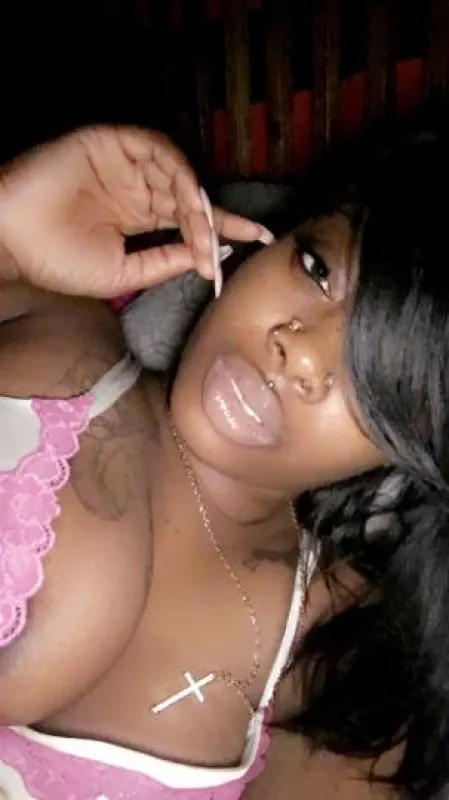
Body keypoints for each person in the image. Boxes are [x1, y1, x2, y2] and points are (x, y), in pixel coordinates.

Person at [0, 120, 446, 800]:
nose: (299, 351)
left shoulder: (342, 656)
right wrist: (6, 228)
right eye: (317, 270)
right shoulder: (59, 332)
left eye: (378, 379)